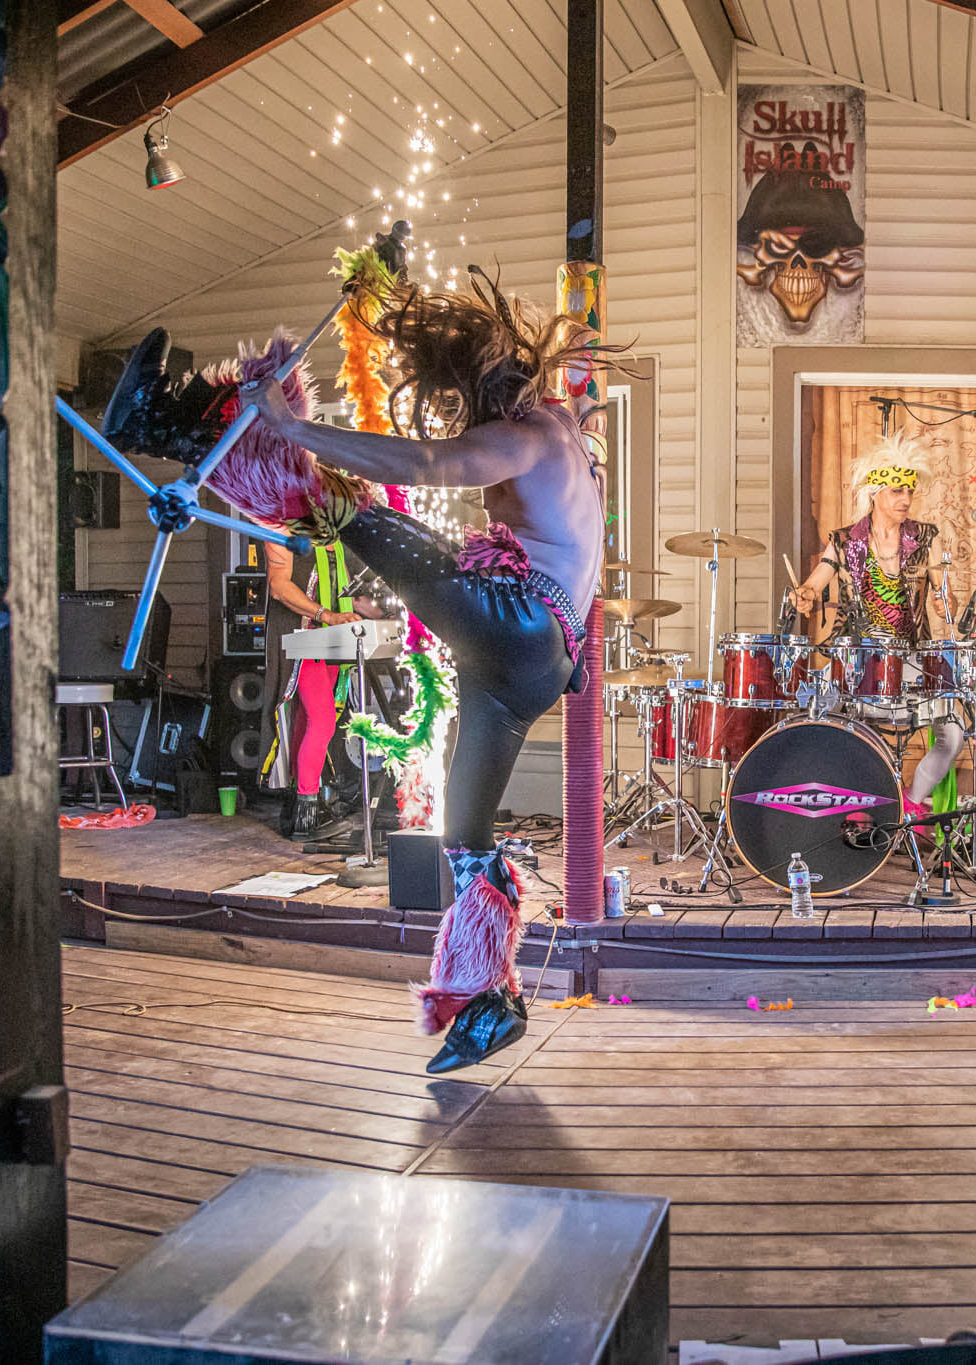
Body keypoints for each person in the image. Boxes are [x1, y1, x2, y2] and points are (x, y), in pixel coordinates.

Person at [102, 268, 607, 1073]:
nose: (459, 416)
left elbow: (427, 463)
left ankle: (166, 420)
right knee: (465, 833)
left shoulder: (526, 432)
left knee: (344, 506)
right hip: (536, 660)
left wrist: (294, 427)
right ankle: (491, 1001)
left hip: (516, 623)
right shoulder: (566, 433)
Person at [791, 434, 967, 817]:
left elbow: (946, 596)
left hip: (912, 656)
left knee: (952, 735)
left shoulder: (925, 538)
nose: (906, 499)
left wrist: (946, 603)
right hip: (855, 658)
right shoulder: (844, 541)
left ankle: (911, 802)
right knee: (819, 726)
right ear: (875, 493)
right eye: (896, 490)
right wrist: (804, 594)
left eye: (910, 491)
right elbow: (816, 582)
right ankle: (847, 804)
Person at [261, 540, 383, 843]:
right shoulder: (284, 528)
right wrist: (327, 615)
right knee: (322, 721)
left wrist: (392, 612)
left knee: (307, 720)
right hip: (301, 638)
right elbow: (278, 586)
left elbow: (353, 599)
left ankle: (298, 812)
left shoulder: (338, 541)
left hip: (329, 641)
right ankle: (306, 817)